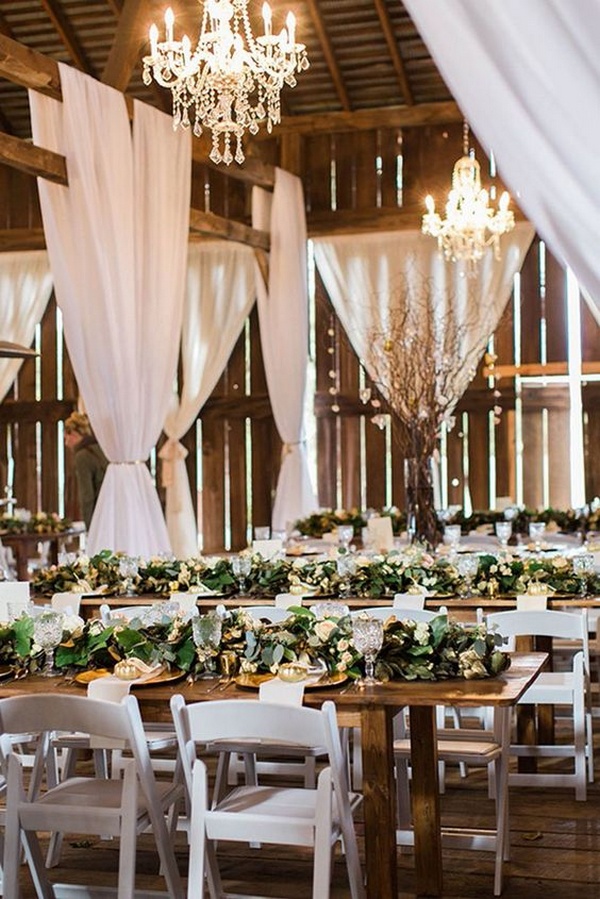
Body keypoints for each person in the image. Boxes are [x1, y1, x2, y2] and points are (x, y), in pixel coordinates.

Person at [64, 412, 108, 530]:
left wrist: (90, 528)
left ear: (73, 434)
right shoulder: (102, 448)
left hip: (101, 512)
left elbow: (86, 496)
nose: (66, 443)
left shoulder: (82, 456)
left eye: (66, 437)